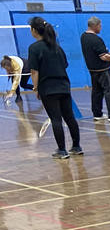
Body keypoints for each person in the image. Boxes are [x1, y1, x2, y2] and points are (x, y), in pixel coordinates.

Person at [25, 16, 82, 158]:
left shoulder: (34, 48)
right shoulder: (57, 47)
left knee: (56, 119)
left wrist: (36, 88)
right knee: (70, 118)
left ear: (34, 30)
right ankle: (76, 147)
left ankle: (62, 150)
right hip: (64, 86)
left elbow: (34, 71)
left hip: (48, 88)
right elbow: (65, 65)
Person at [80, 16, 110, 122]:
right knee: (109, 91)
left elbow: (97, 53)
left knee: (96, 92)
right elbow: (103, 57)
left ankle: (97, 114)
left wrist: (109, 54)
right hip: (103, 71)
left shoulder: (83, 37)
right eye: (100, 26)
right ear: (95, 26)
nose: (101, 28)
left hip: (92, 70)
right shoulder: (96, 39)